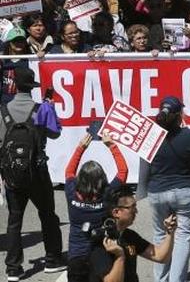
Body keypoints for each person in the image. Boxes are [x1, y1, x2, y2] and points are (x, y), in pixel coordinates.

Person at [2, 65, 66, 280]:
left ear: (14, 86)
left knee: (14, 220)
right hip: (38, 172)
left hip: (11, 174)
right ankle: (52, 259)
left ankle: (13, 268)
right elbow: (55, 133)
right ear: (32, 87)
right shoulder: (42, 109)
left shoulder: (2, 111)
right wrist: (50, 108)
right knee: (48, 215)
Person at [146, 96, 190, 282]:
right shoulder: (189, 135)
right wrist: (185, 129)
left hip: (157, 191)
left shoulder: (151, 136)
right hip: (184, 191)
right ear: (180, 114)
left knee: (160, 235)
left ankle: (161, 279)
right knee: (183, 236)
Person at [65, 131, 128, 282]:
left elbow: (69, 171)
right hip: (99, 256)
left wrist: (81, 148)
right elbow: (123, 171)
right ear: (102, 179)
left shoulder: (71, 190)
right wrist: (111, 145)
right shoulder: (106, 195)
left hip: (76, 256)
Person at [88, 186, 177, 282]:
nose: (136, 211)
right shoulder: (101, 241)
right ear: (116, 212)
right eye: (132, 208)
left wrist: (170, 232)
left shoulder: (129, 236)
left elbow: (161, 256)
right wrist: (120, 257)